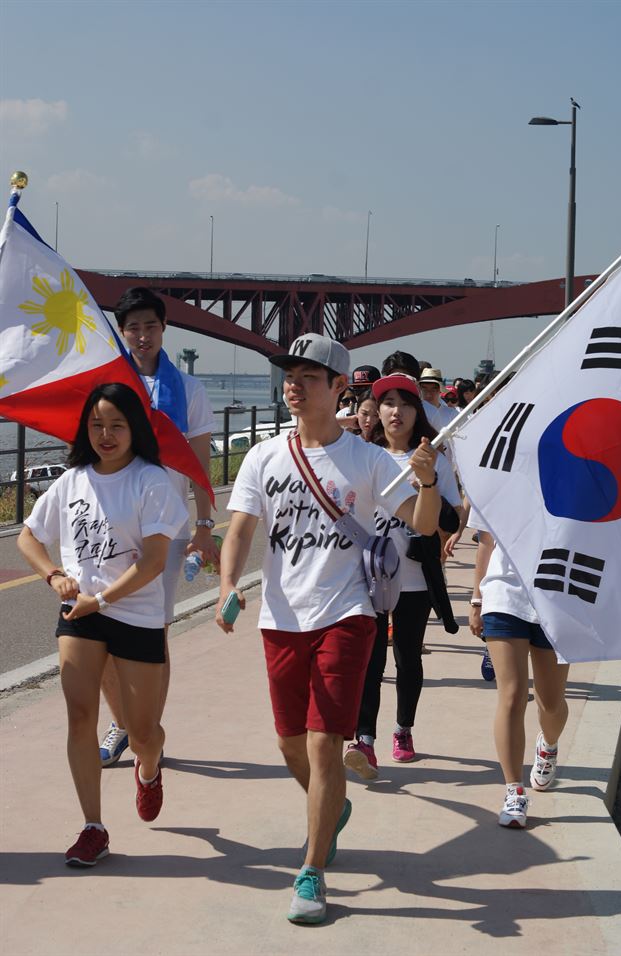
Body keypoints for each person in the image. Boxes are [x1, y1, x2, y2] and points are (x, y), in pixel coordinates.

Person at [215, 333, 440, 925]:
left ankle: (311, 870)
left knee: (322, 743)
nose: (294, 384)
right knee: (291, 743)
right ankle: (332, 806)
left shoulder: (369, 460)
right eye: (290, 374)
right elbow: (238, 528)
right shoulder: (264, 456)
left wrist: (427, 479)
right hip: (280, 617)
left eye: (309, 376)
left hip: (347, 614)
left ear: (340, 387)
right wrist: (228, 584)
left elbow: (421, 521)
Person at [17, 384, 188, 866]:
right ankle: (93, 827)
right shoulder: (72, 481)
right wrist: (54, 575)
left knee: (142, 733)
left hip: (135, 615)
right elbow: (29, 537)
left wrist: (103, 599)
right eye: (96, 425)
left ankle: (149, 769)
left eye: (116, 424)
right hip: (80, 617)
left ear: (134, 428)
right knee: (79, 717)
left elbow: (155, 561)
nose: (106, 434)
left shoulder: (151, 481)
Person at [97, 287, 218, 768]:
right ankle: (124, 722)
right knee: (98, 629)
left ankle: (149, 728)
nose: (142, 335)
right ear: (122, 333)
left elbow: (202, 465)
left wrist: (206, 525)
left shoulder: (190, 391)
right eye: (133, 328)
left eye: (150, 325)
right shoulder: (108, 388)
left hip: (164, 530)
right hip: (108, 526)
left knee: (151, 633)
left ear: (164, 328)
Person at [344, 373, 460, 778]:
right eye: (387, 403)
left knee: (408, 658)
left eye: (405, 403)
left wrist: (426, 484)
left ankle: (403, 729)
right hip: (367, 576)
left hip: (413, 578)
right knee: (368, 662)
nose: (396, 411)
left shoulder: (434, 458)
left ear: (417, 411)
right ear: (377, 411)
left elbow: (450, 519)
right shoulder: (361, 454)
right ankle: (365, 739)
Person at [468, 508, 569, 828]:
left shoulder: (578, 471)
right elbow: (485, 539)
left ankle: (548, 745)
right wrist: (476, 598)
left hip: (559, 594)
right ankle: (514, 790)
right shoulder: (502, 467)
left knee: (550, 703)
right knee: (511, 695)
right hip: (504, 593)